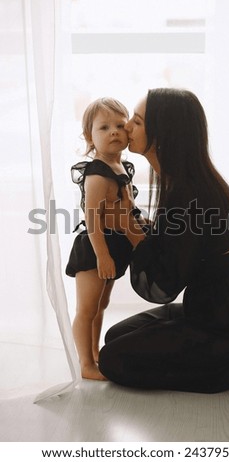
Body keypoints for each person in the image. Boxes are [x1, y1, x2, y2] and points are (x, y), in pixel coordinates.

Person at [98, 88, 229, 393]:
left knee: (113, 359)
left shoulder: (187, 193)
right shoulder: (182, 181)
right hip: (211, 305)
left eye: (137, 122)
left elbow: (164, 284)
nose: (127, 127)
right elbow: (174, 244)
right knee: (116, 335)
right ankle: (224, 355)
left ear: (163, 135)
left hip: (224, 319)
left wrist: (129, 229)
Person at [65, 97, 142, 380]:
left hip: (114, 244)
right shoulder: (97, 175)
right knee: (86, 308)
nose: (113, 132)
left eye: (120, 125)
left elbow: (126, 208)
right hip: (96, 248)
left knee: (101, 305)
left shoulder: (121, 167)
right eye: (104, 127)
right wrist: (103, 255)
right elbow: (94, 218)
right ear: (90, 137)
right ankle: (85, 364)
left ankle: (96, 353)